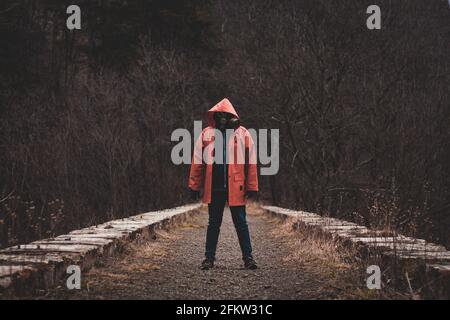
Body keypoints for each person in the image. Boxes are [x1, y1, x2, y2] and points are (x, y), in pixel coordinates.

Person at [188, 98, 259, 270]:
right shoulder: (206, 134)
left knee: (241, 223)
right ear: (215, 116)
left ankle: (248, 258)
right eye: (220, 115)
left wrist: (252, 185)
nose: (223, 118)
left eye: (226, 115)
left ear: (232, 115)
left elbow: (251, 162)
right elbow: (197, 161)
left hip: (237, 186)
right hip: (215, 186)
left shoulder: (243, 133)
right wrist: (194, 185)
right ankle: (209, 258)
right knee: (214, 223)